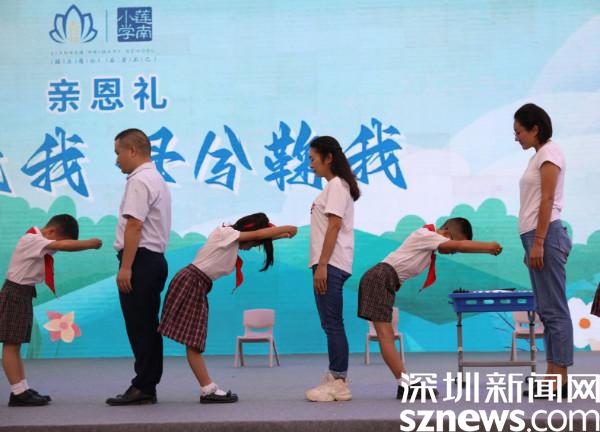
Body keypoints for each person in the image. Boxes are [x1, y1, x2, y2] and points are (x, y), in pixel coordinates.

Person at [356, 218, 502, 399]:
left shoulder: (428, 245)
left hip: (384, 280)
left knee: (386, 335)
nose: (452, 251)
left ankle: (404, 384)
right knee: (386, 336)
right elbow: (460, 245)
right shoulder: (426, 235)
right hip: (380, 278)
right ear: (446, 232)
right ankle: (405, 385)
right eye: (453, 247)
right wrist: (488, 247)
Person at [158, 213, 297, 403]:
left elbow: (257, 236)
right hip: (192, 283)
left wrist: (281, 235)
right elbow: (256, 235)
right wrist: (288, 227)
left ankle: (207, 388)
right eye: (254, 245)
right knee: (193, 341)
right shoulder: (226, 233)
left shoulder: (231, 241)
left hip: (196, 284)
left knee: (194, 340)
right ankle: (208, 389)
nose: (251, 248)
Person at [0, 214, 102, 406]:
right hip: (15, 294)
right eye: (59, 240)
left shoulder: (39, 241)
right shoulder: (32, 239)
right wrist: (89, 244)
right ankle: (18, 392)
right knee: (11, 345)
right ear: (52, 231)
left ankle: (22, 389)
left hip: (23, 293)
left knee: (15, 344)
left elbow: (60, 244)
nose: (58, 247)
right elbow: (61, 245)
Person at [106, 128, 172, 406]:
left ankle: (144, 385)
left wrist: (126, 267)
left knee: (140, 326)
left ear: (132, 151)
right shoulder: (156, 178)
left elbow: (134, 225)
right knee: (146, 324)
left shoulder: (140, 180)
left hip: (140, 260)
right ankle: (146, 384)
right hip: (151, 260)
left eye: (118, 153)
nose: (116, 160)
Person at [514, 103, 572, 398]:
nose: (516, 137)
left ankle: (560, 378)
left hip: (545, 235)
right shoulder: (538, 156)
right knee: (546, 309)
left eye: (519, 131)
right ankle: (552, 374)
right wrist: (531, 244)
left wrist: (538, 241)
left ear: (535, 128)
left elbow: (547, 199)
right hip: (536, 237)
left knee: (555, 309)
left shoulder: (550, 153)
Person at [305, 136, 360, 402]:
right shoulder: (333, 187)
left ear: (328, 158)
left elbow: (334, 226)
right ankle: (335, 376)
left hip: (331, 263)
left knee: (333, 324)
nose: (310, 165)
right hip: (328, 262)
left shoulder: (337, 185)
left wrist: (323, 265)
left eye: (313, 159)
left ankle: (339, 381)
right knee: (330, 323)